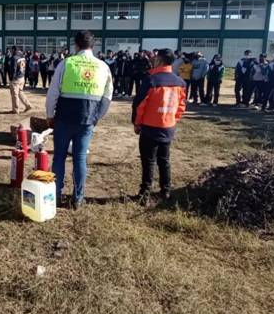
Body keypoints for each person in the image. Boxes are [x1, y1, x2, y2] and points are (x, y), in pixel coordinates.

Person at [45, 30, 114, 209]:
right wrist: (97, 117)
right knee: (80, 158)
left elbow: (53, 93)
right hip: (87, 120)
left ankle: (56, 194)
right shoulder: (103, 66)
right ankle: (78, 198)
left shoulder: (66, 63)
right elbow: (107, 97)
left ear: (75, 45)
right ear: (94, 45)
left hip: (63, 119)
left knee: (59, 157)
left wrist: (50, 116)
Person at [131, 49, 186, 203]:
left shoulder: (152, 80)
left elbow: (140, 104)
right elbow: (181, 106)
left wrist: (137, 123)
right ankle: (166, 191)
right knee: (164, 160)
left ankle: (145, 194)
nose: (153, 60)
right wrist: (173, 120)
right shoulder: (180, 82)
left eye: (156, 58)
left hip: (150, 127)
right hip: (168, 127)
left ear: (161, 60)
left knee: (148, 161)